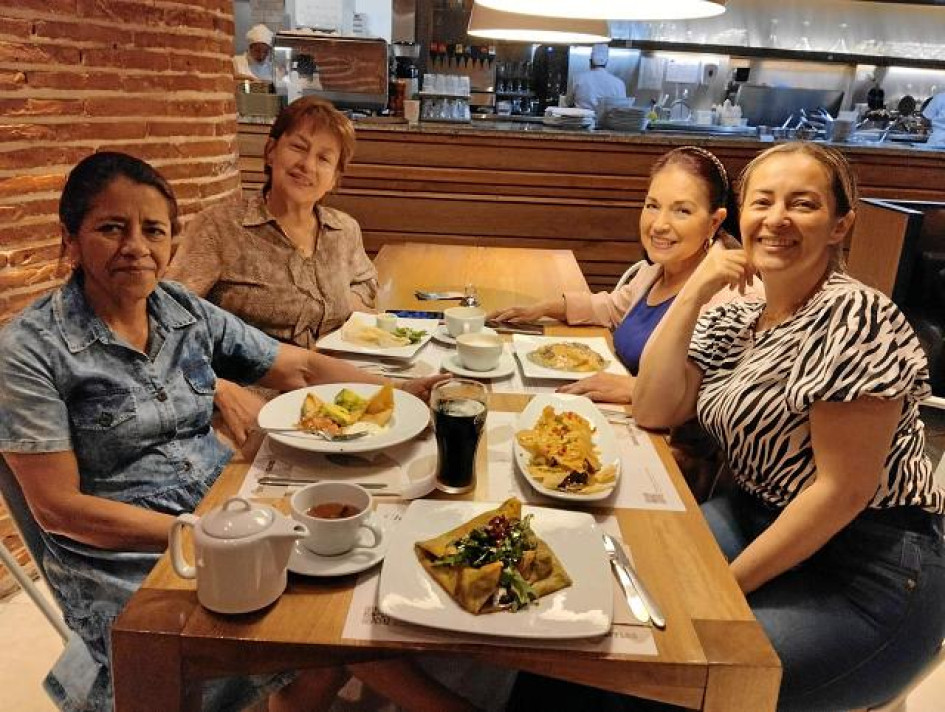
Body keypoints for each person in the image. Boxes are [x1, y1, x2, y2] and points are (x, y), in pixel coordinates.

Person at [0, 152, 475, 712]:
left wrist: (404, 390)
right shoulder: (29, 352)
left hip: (227, 506)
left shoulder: (179, 309)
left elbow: (297, 366)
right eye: (111, 228)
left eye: (153, 230)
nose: (136, 246)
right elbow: (61, 510)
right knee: (325, 612)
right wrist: (200, 534)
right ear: (71, 240)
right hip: (127, 560)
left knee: (353, 561)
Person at [633, 142, 945, 711]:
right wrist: (695, 290)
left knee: (680, 674)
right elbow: (653, 408)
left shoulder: (856, 315)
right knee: (631, 608)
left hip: (867, 567)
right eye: (763, 202)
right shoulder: (737, 313)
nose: (776, 220)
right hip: (754, 517)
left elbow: (841, 493)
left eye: (802, 205)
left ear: (840, 226)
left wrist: (719, 591)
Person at [167, 96, 378, 445]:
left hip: (331, 393)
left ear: (335, 178)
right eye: (298, 147)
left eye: (324, 158)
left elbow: (367, 285)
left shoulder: (344, 230)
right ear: (270, 152)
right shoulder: (220, 228)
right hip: (245, 408)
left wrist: (338, 305)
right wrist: (214, 386)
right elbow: (161, 321)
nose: (307, 165)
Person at [490, 146, 763, 405]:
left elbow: (724, 397)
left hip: (671, 445)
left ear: (714, 222)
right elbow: (612, 307)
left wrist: (635, 388)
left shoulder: (737, 294)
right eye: (653, 205)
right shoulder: (656, 269)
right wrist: (544, 308)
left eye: (682, 211)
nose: (658, 225)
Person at [567, 43, 627, 112]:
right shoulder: (619, 83)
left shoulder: (577, 79)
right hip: (607, 122)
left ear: (590, 61)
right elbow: (622, 109)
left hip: (581, 121)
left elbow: (568, 102)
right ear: (606, 63)